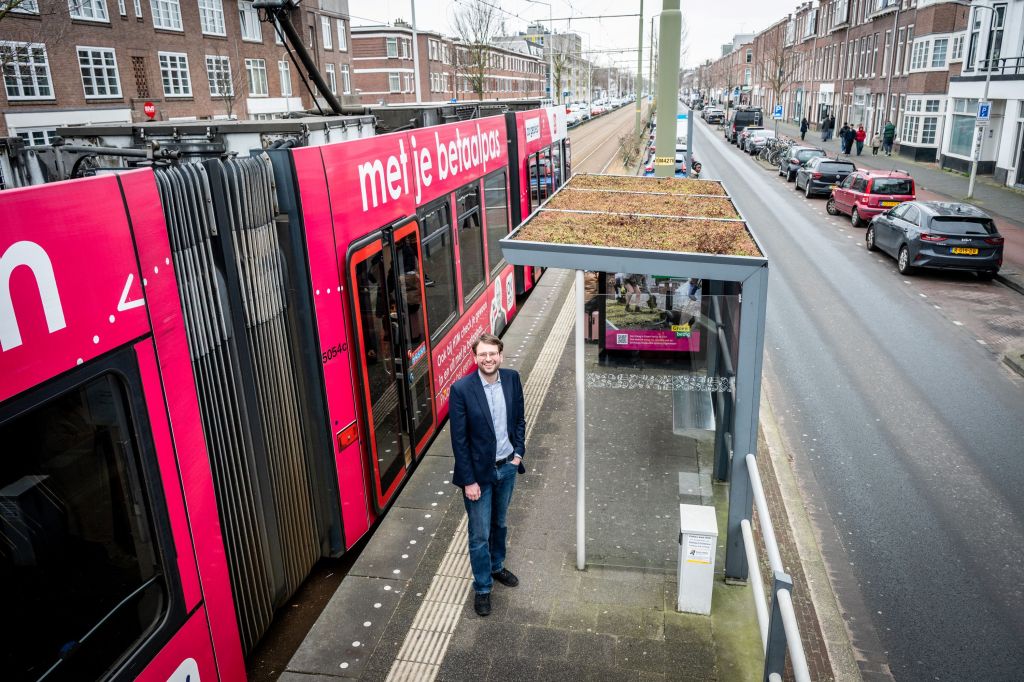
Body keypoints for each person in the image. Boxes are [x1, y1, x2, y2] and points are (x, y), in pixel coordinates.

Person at [449, 333, 526, 617]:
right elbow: (459, 441)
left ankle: (496, 566)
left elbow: (519, 420)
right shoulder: (461, 389)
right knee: (479, 533)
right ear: (475, 358)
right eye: (482, 354)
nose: (488, 359)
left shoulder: (512, 379)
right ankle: (482, 587)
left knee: (500, 523)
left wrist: (518, 453)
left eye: (492, 353)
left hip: (507, 467)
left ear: (501, 356)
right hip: (478, 476)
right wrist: (469, 481)